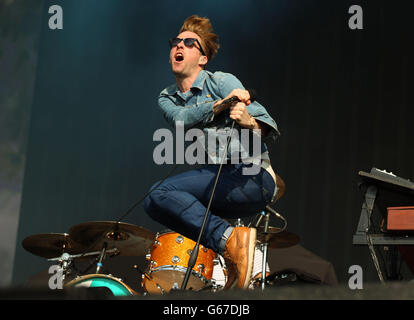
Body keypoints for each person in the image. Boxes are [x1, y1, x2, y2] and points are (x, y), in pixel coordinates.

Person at [143, 15, 280, 289]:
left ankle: (229, 241)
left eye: (189, 43)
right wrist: (217, 107)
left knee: (161, 192)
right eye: (176, 42)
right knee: (154, 201)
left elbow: (268, 123)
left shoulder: (220, 80)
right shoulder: (167, 96)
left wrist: (247, 120)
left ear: (202, 58)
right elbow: (181, 120)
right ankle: (229, 245)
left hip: (252, 178)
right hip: (221, 179)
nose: (179, 46)